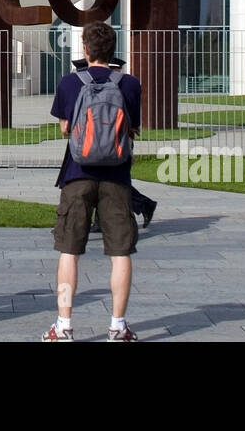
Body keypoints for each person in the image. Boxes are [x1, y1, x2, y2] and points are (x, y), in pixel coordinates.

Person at [43, 22, 141, 342]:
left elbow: (64, 129)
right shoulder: (129, 84)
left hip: (77, 174)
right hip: (117, 175)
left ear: (85, 49)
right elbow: (132, 129)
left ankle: (64, 325)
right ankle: (117, 326)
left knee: (70, 251)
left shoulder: (71, 82)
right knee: (120, 252)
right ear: (113, 50)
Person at [73, 57, 158, 231]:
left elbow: (130, 124)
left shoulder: (121, 87)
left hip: (115, 142)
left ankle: (143, 204)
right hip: (96, 141)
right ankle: (99, 220)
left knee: (112, 183)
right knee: (103, 181)